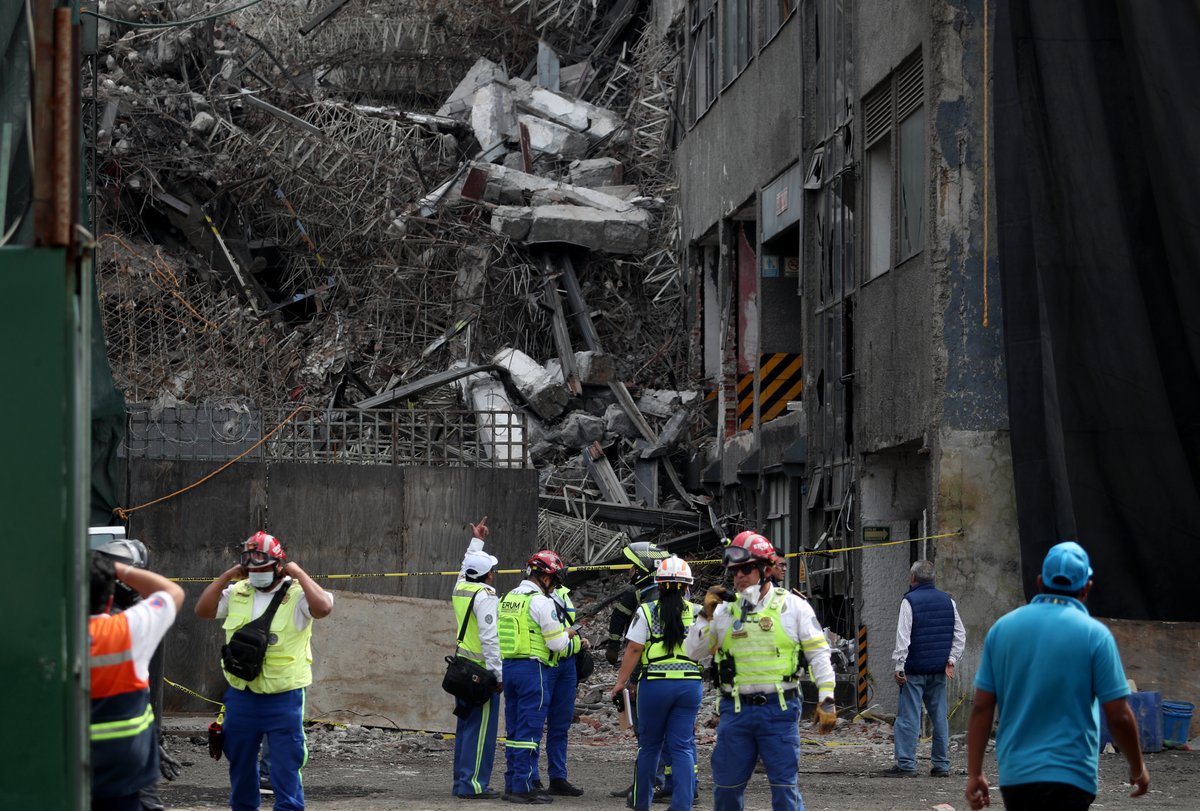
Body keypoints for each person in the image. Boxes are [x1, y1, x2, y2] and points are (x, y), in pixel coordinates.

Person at [965, 541, 1150, 811]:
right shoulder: (1095, 636)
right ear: (1087, 588)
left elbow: (982, 707)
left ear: (1039, 582)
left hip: (1017, 778)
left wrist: (975, 773)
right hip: (1073, 778)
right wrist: (1137, 768)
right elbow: (1119, 716)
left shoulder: (1002, 629)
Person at [685, 532, 837, 811]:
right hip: (735, 712)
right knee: (727, 791)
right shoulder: (724, 612)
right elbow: (692, 652)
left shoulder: (794, 607)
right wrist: (705, 614)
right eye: (734, 572)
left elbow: (819, 654)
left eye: (745, 569)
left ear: (766, 570)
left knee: (784, 790)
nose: (739, 578)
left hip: (779, 711)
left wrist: (827, 697)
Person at [195, 531, 334, 811]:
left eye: (263, 568)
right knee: (240, 759)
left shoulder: (297, 596)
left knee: (286, 763)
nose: (257, 574)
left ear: (278, 566)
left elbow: (324, 607)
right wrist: (226, 576)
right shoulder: (239, 592)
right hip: (242, 694)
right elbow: (203, 610)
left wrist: (298, 572)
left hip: (284, 696)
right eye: (251, 569)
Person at [89, 549, 185, 811]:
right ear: (110, 599)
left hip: (67, 768)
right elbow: (172, 593)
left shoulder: (46, 638)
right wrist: (116, 569)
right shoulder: (127, 630)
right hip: (125, 770)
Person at [611, 556, 703, 811]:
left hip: (655, 685)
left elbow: (634, 649)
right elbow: (709, 648)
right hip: (689, 686)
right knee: (683, 746)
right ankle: (682, 805)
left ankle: (642, 802)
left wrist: (621, 682)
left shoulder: (646, 611)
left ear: (658, 585)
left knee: (650, 746)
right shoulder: (698, 612)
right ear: (688, 586)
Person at [498, 549, 585, 804]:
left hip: (510, 667)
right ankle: (524, 788)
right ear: (546, 578)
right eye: (554, 581)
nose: (555, 586)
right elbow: (557, 644)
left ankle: (512, 782)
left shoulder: (508, 597)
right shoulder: (541, 601)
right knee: (530, 730)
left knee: (514, 729)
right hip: (533, 670)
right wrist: (570, 634)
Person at [884, 559, 966, 778]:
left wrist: (899, 665)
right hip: (939, 669)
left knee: (909, 717)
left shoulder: (909, 601)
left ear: (913, 578)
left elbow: (904, 636)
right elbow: (960, 635)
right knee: (939, 717)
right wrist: (951, 659)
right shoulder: (948, 601)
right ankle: (941, 764)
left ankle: (906, 764)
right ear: (933, 578)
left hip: (915, 668)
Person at [605, 542, 673, 800]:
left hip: (652, 679)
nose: (631, 572)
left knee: (649, 734)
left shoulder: (650, 601)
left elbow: (638, 647)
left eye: (634, 567)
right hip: (678, 680)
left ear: (646, 568)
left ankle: (650, 784)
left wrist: (628, 680)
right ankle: (673, 784)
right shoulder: (667, 596)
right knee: (672, 737)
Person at [452, 517, 504, 800]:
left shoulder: (461, 588)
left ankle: (461, 781)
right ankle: (472, 785)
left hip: (461, 668)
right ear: (488, 575)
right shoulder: (485, 596)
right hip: (482, 672)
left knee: (465, 727)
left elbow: (464, 567)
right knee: (480, 731)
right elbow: (490, 639)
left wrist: (477, 542)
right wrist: (498, 674)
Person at [533, 580, 585, 797]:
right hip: (546, 664)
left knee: (560, 724)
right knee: (534, 722)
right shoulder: (533, 595)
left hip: (567, 664)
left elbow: (567, 626)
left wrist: (580, 641)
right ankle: (531, 777)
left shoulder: (563, 594)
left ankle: (557, 778)